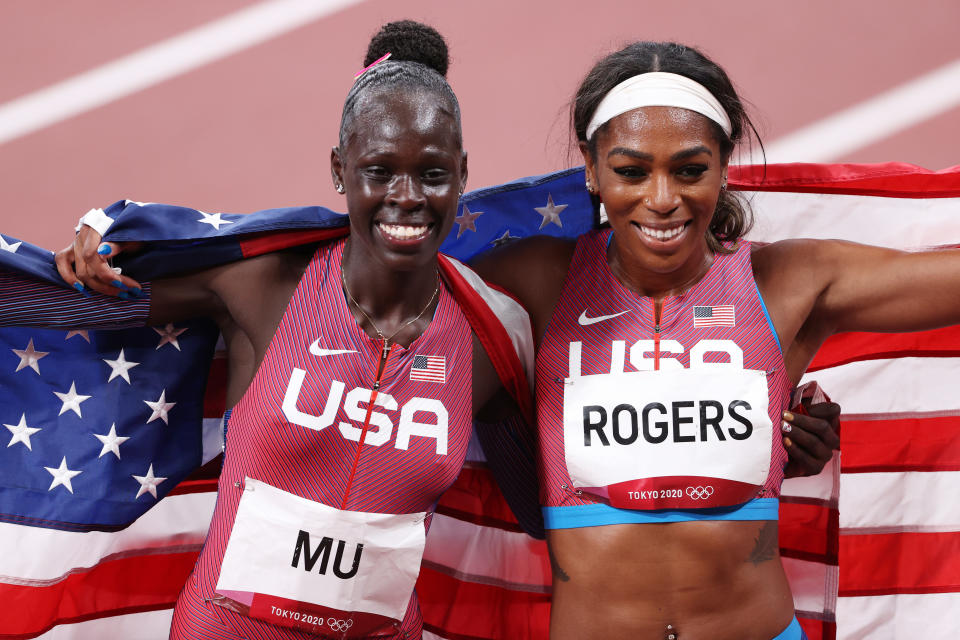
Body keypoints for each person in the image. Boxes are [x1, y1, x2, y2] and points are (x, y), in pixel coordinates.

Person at [51, 26, 843, 640]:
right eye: (378, 173)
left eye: (432, 175)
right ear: (339, 170)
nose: (406, 197)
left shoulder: (489, 333)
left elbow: (553, 499)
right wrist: (102, 233)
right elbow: (74, 303)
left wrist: (753, 435)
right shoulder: (268, 286)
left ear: (462, 176)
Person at [463, 41, 960, 639]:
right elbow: (388, 335)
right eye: (630, 171)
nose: (663, 198)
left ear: (725, 167)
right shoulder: (538, 282)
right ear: (590, 170)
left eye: (690, 170)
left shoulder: (785, 284)